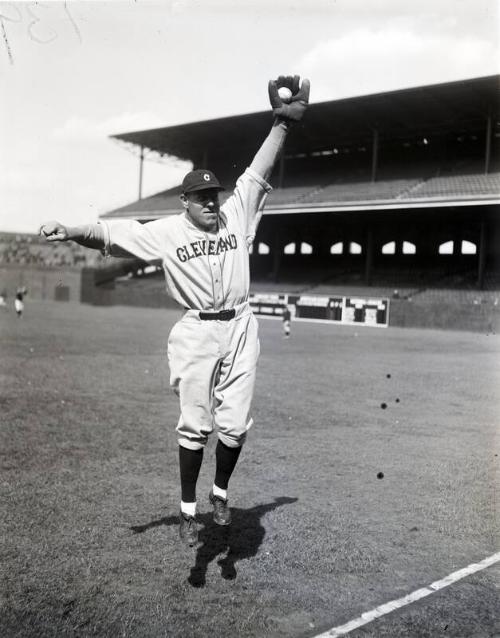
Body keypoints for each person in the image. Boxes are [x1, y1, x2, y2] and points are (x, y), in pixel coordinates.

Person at [39, 74, 310, 548]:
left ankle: (220, 494)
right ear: (185, 201)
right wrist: (70, 228)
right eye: (202, 197)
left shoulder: (236, 213)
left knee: (235, 424)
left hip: (241, 324)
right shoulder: (165, 231)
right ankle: (188, 510)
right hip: (196, 330)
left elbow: (259, 170)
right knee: (195, 423)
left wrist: (282, 125)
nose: (211, 201)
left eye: (214, 194)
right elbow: (111, 236)